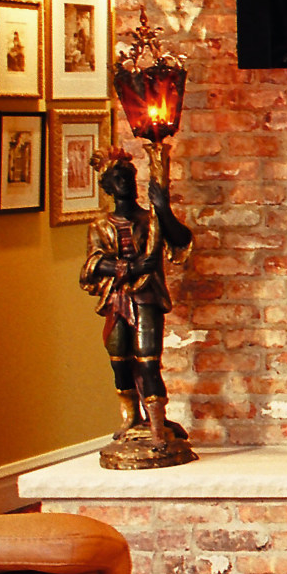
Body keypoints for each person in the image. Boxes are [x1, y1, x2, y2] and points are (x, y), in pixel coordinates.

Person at [80, 150, 195, 460]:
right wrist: (125, 269)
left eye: (129, 177)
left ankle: (157, 423)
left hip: (146, 296)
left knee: (147, 359)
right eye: (117, 179)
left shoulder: (150, 219)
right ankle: (131, 416)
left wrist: (163, 208)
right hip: (117, 298)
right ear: (107, 186)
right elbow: (92, 265)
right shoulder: (100, 226)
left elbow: (181, 241)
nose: (125, 183)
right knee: (119, 358)